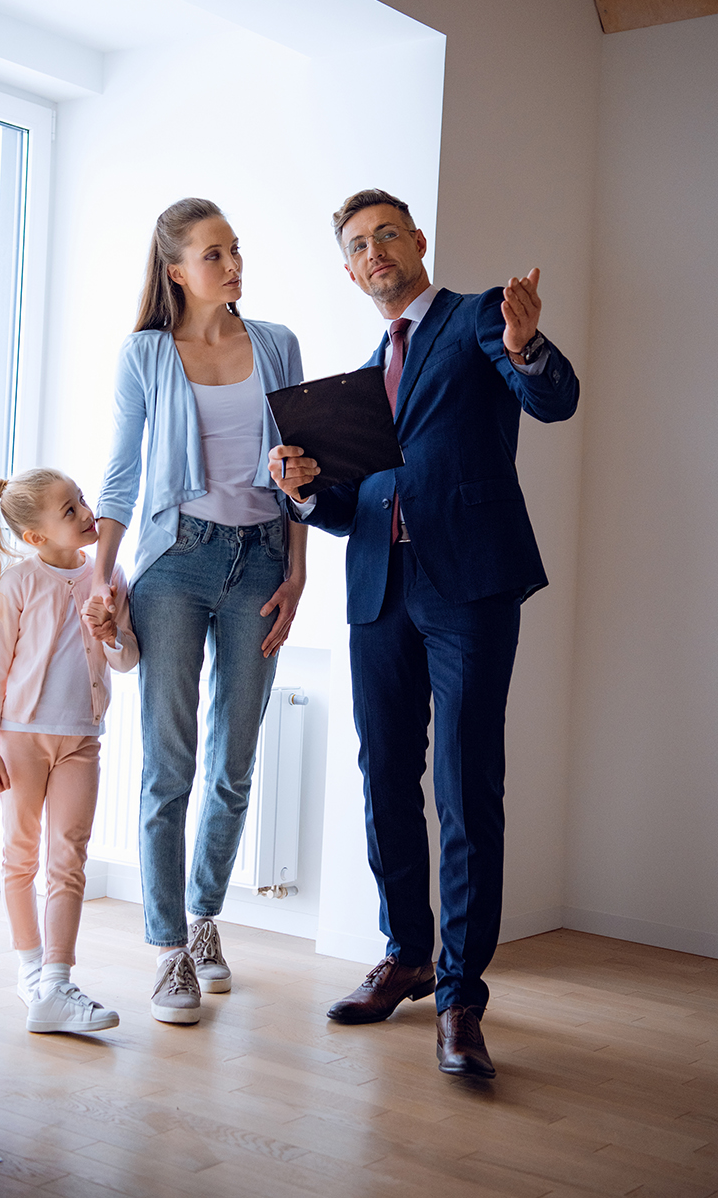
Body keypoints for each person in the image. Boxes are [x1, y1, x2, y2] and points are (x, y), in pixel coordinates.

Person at [269, 188, 579, 1078]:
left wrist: (525, 344)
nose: (374, 253)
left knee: (465, 781)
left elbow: (551, 398)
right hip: (379, 588)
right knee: (384, 777)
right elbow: (354, 499)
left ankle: (459, 994)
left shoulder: (480, 319)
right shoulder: (367, 373)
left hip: (470, 586)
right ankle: (406, 951)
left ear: (417, 241)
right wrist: (303, 487)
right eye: (359, 245)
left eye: (386, 235)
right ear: (348, 267)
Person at [86, 197, 306, 1026]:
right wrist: (102, 580)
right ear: (177, 270)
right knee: (168, 763)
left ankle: (206, 917)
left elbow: (300, 471)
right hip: (174, 563)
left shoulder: (278, 345)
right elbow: (119, 476)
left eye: (236, 249)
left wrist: (298, 571)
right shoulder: (146, 354)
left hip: (260, 563)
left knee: (235, 757)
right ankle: (168, 949)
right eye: (215, 254)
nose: (233, 264)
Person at [0, 468, 138, 1033]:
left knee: (69, 857)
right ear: (36, 538)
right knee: (20, 854)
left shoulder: (109, 578)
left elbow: (128, 659)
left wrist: (110, 631)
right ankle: (30, 968)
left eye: (82, 500)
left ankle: (58, 984)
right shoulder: (19, 584)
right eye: (69, 510)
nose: (87, 512)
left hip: (81, 740)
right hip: (20, 737)